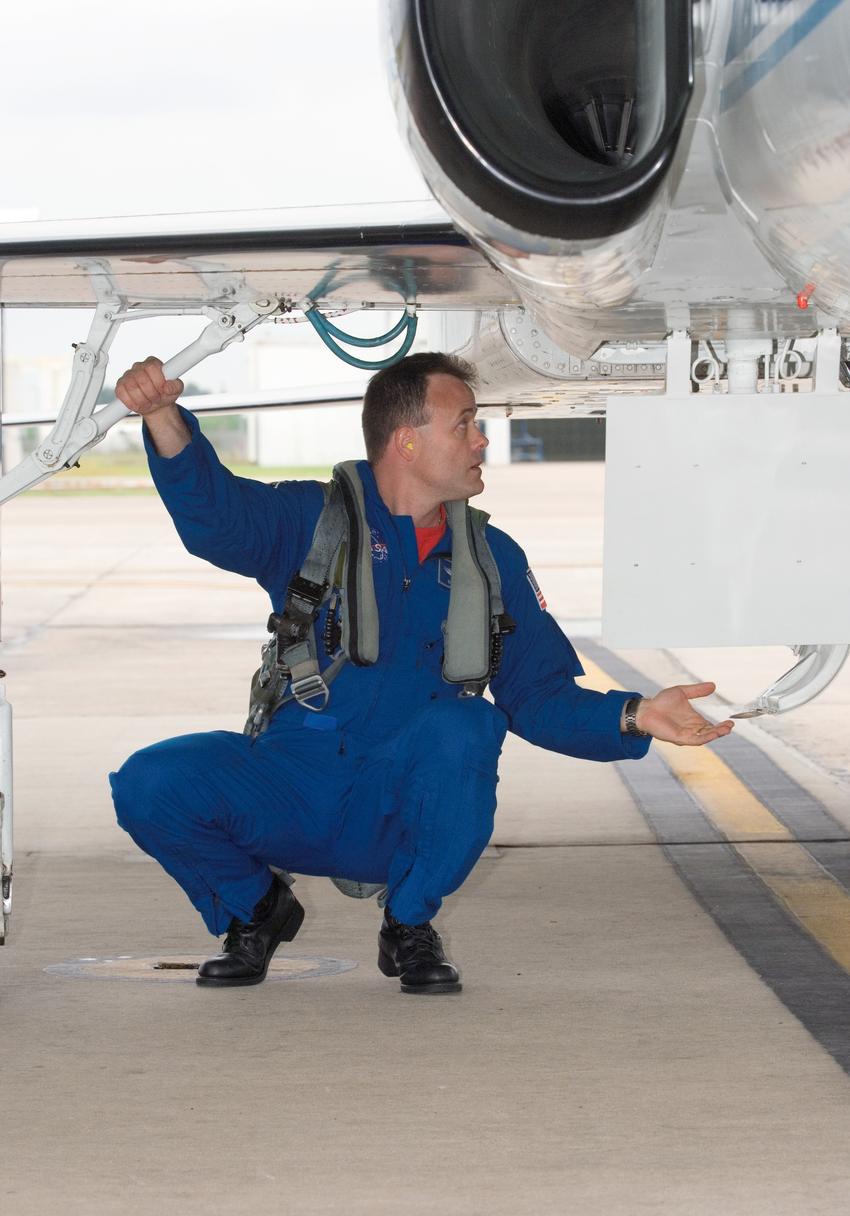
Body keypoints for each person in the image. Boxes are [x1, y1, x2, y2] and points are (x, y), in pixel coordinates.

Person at [110, 351, 733, 995]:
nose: (482, 439)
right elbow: (216, 516)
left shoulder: (493, 559)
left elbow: (537, 697)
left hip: (396, 807)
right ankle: (257, 911)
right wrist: (161, 415)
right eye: (464, 424)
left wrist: (634, 715)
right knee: (150, 783)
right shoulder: (311, 523)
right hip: (295, 785)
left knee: (466, 724)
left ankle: (408, 925)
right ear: (406, 441)